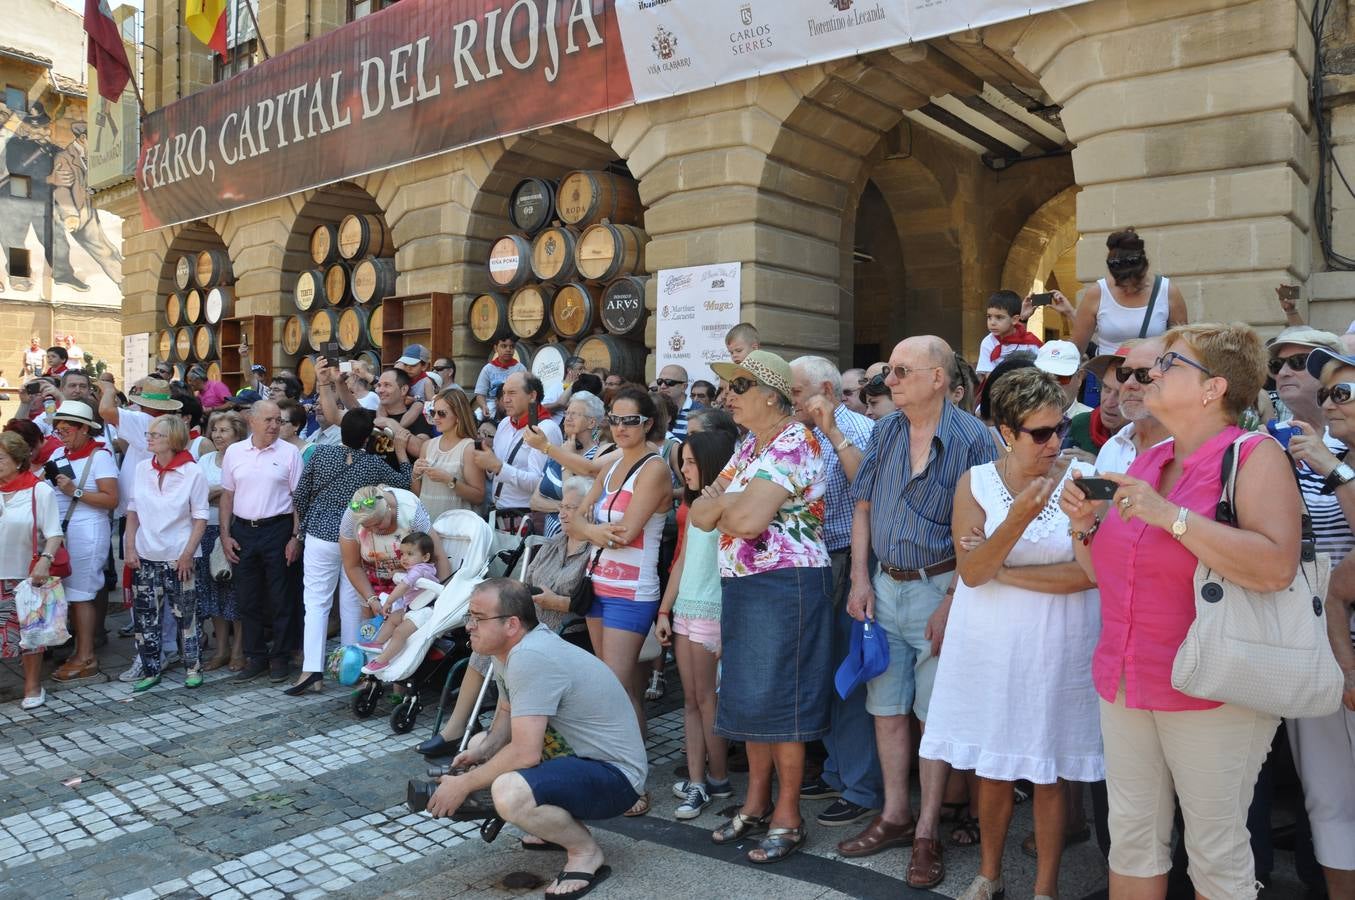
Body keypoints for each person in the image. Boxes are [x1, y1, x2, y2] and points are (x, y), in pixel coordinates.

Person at [1060, 323, 1299, 900]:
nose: (1148, 375)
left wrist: (1170, 516)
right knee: (1132, 839)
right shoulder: (1150, 460)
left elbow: (1275, 568)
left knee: (1216, 851)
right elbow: (1101, 575)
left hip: (1211, 684)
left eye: (1169, 364)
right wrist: (1083, 526)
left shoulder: (1254, 455)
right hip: (1125, 679)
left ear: (1213, 388)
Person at [920, 367, 1102, 900]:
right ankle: (990, 874)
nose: (1054, 443)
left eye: (1059, 429)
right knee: (994, 769)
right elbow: (971, 574)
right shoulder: (974, 481)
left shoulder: (1082, 477)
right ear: (1005, 431)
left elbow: (1089, 575)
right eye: (1040, 433)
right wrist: (1017, 519)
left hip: (1058, 643)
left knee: (1048, 774)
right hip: (992, 645)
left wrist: (1004, 568)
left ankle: (1045, 888)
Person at [846, 336, 1000, 889]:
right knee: (885, 706)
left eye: (901, 370)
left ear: (938, 377)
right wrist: (860, 579)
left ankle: (927, 832)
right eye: (890, 370)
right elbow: (862, 505)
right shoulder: (886, 430)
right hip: (884, 585)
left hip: (940, 586)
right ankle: (894, 814)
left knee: (934, 717)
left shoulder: (973, 438)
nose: (889, 379)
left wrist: (956, 598)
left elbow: (987, 528)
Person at [689, 349, 831, 864]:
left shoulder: (795, 441)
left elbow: (743, 522)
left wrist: (726, 506)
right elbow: (699, 508)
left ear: (771, 393)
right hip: (750, 582)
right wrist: (730, 505)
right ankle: (755, 804)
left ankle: (788, 816)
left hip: (787, 583)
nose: (728, 396)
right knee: (749, 696)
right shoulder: (751, 445)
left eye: (739, 387)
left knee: (783, 701)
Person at [424, 579, 647, 898]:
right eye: (469, 616)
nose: (469, 626)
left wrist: (464, 784)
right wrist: (481, 754)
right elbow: (507, 712)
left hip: (617, 777)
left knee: (509, 791)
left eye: (478, 617)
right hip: (581, 757)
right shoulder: (509, 650)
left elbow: (526, 753)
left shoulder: (531, 657)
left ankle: (585, 853)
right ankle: (553, 828)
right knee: (479, 746)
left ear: (511, 624)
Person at [416, 477, 595, 756]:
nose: (562, 513)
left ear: (590, 510)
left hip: (562, 630)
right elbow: (526, 582)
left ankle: (502, 733)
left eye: (572, 507)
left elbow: (588, 606)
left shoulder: (593, 552)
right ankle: (455, 728)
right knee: (485, 643)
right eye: (562, 506)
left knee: (507, 648)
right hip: (530, 620)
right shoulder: (554, 543)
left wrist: (555, 602)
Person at [788, 355, 883, 830]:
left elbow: (868, 489)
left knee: (849, 678)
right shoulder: (798, 431)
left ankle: (862, 786)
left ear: (825, 388)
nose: (792, 401)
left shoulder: (859, 430)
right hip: (816, 563)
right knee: (824, 675)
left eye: (798, 392)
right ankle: (835, 770)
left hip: (849, 561)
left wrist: (831, 432)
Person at [566, 389, 671, 745]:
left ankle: (632, 773)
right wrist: (595, 530)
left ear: (648, 423)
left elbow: (624, 534)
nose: (622, 427)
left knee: (616, 686)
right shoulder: (612, 463)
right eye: (615, 419)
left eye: (631, 421)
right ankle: (618, 761)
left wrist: (587, 530)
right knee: (613, 683)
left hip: (631, 590)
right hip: (597, 583)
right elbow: (575, 516)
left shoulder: (654, 467)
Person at [286, 407, 412, 695]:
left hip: (319, 535)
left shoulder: (319, 453)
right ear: (369, 438)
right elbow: (405, 484)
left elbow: (300, 495)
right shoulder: (374, 464)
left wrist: (307, 523)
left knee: (316, 603)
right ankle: (350, 665)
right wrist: (402, 453)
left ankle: (311, 672)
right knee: (352, 602)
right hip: (354, 537)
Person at [1292, 345, 1355, 900]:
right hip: (1321, 649)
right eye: (1328, 392)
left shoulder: (1331, 462)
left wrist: (1335, 469)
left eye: (1344, 392)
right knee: (1327, 793)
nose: (1331, 402)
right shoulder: (1315, 456)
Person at [656, 430, 739, 819]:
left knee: (707, 701)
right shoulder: (694, 505)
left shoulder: (729, 506)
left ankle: (712, 781)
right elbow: (682, 562)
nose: (683, 470)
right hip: (686, 609)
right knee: (691, 701)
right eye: (682, 462)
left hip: (712, 611)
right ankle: (700, 779)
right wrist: (664, 611)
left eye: (690, 462)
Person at [219, 400, 303, 685]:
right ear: (251, 421)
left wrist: (295, 537)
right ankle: (255, 656)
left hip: (277, 529)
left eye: (278, 420)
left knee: (281, 597)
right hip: (243, 530)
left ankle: (280, 656)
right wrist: (225, 535)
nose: (274, 426)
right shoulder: (234, 452)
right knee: (247, 597)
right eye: (268, 420)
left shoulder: (290, 453)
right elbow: (227, 497)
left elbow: (298, 501)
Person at [124, 416, 209, 693]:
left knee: (187, 616)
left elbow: (200, 518)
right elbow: (133, 511)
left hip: (178, 555)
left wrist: (187, 554)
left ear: (172, 439)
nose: (149, 438)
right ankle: (150, 669)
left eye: (155, 434)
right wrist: (129, 547)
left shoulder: (192, 472)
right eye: (149, 433)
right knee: (146, 617)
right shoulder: (141, 469)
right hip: (146, 553)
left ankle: (193, 667)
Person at [46, 401, 120, 682]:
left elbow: (111, 500)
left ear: (84, 429)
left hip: (88, 531)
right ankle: (79, 651)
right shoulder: (58, 453)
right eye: (58, 428)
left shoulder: (99, 457)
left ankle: (86, 656)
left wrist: (73, 490)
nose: (60, 433)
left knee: (82, 595)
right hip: (64, 531)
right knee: (71, 595)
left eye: (66, 428)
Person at [338, 485, 451, 646]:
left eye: (377, 524)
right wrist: (371, 598)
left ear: (388, 509)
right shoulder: (352, 516)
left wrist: (440, 601)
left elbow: (438, 556)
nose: (373, 530)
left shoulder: (410, 509)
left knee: (406, 642)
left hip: (412, 589)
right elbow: (352, 565)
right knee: (372, 639)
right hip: (371, 586)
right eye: (366, 527)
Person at [0, 430, 64, 709]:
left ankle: (33, 686)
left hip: (25, 574)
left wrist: (45, 559)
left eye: (0, 458)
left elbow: (54, 533)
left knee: (30, 634)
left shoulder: (39, 490)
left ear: (17, 460)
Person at [1070, 228, 1188, 354]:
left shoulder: (1168, 291)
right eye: (1121, 285)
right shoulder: (1097, 293)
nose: (1129, 289)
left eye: (1138, 284)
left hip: (1151, 371)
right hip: (1108, 371)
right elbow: (1077, 347)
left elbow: (1181, 346)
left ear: (1146, 267)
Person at [470, 372, 562, 534]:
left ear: (532, 395)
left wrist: (498, 467)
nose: (505, 399)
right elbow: (495, 473)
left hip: (526, 517)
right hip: (498, 514)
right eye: (504, 393)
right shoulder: (505, 423)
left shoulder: (547, 429)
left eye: (512, 393)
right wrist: (489, 464)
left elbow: (539, 485)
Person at [196, 410, 245, 671]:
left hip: (236, 530)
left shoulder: (244, 459)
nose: (217, 435)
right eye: (215, 430)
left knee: (236, 592)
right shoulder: (204, 461)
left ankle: (239, 649)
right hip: (207, 530)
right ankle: (222, 649)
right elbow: (195, 495)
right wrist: (224, 493)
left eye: (224, 430)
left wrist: (219, 494)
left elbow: (243, 494)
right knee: (213, 590)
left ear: (238, 434)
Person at [524, 391, 605, 535]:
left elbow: (580, 504)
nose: (568, 418)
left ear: (592, 422)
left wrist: (567, 460)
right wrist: (565, 508)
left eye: (575, 414)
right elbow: (535, 501)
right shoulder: (556, 452)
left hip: (576, 541)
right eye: (567, 413)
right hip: (549, 541)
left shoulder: (598, 457)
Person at [359, 531, 439, 672]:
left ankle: (382, 661)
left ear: (425, 557)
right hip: (413, 608)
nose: (404, 558)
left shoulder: (419, 570)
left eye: (410, 554)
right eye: (402, 554)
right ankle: (378, 643)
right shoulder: (419, 567)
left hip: (425, 611)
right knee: (393, 618)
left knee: (400, 632)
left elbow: (404, 586)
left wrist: (389, 601)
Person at [413, 388, 485, 521]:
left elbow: (478, 497)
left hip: (456, 529)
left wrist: (449, 480)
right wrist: (415, 474)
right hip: (428, 528)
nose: (435, 418)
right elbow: (418, 494)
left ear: (458, 416)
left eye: (442, 413)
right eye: (433, 412)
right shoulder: (427, 446)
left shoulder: (469, 448)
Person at [977, 290, 1043, 376]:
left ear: (1015, 319)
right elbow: (988, 375)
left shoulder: (1030, 343)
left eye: (999, 317)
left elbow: (1040, 371)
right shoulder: (988, 342)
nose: (992, 322)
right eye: (989, 317)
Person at [1034, 340, 1091, 417]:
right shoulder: (1020, 416)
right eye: (1044, 377)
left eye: (1061, 378)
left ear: (1079, 378)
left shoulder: (1093, 421)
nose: (1052, 385)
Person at [475, 337, 526, 419]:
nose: (508, 349)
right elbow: (480, 394)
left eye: (511, 347)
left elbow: (525, 392)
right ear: (496, 348)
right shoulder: (488, 369)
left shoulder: (520, 368)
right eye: (504, 346)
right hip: (492, 403)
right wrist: (484, 406)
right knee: (477, 416)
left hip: (513, 402)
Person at [656, 365, 694, 440]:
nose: (663, 386)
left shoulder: (699, 412)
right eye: (660, 381)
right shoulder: (651, 409)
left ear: (684, 387)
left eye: (669, 382)